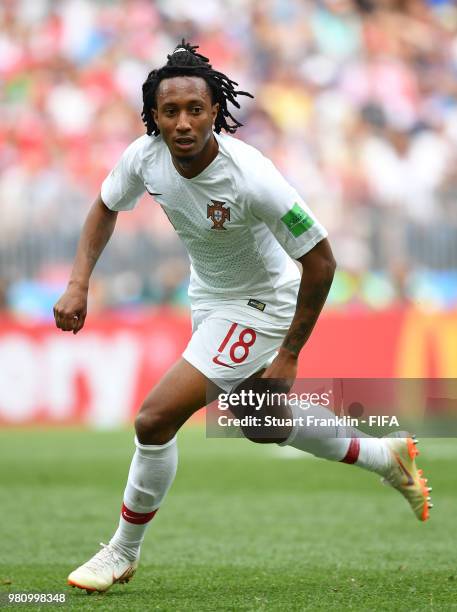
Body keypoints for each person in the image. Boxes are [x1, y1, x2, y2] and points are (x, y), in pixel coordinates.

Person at [53, 41, 432, 594]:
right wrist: (78, 281)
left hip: (263, 303)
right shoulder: (145, 156)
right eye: (170, 111)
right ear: (153, 116)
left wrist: (289, 352)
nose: (183, 122)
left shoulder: (252, 176)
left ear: (216, 112)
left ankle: (121, 551)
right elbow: (106, 205)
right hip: (208, 296)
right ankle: (385, 455)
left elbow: (322, 259)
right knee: (261, 423)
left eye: (195, 110)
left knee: (153, 420)